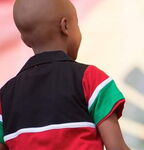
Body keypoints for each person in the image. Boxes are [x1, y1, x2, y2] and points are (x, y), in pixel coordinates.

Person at [0, 0, 130, 149]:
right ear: (65, 26)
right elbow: (116, 147)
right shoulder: (91, 79)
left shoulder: (5, 97)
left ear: (24, 40)